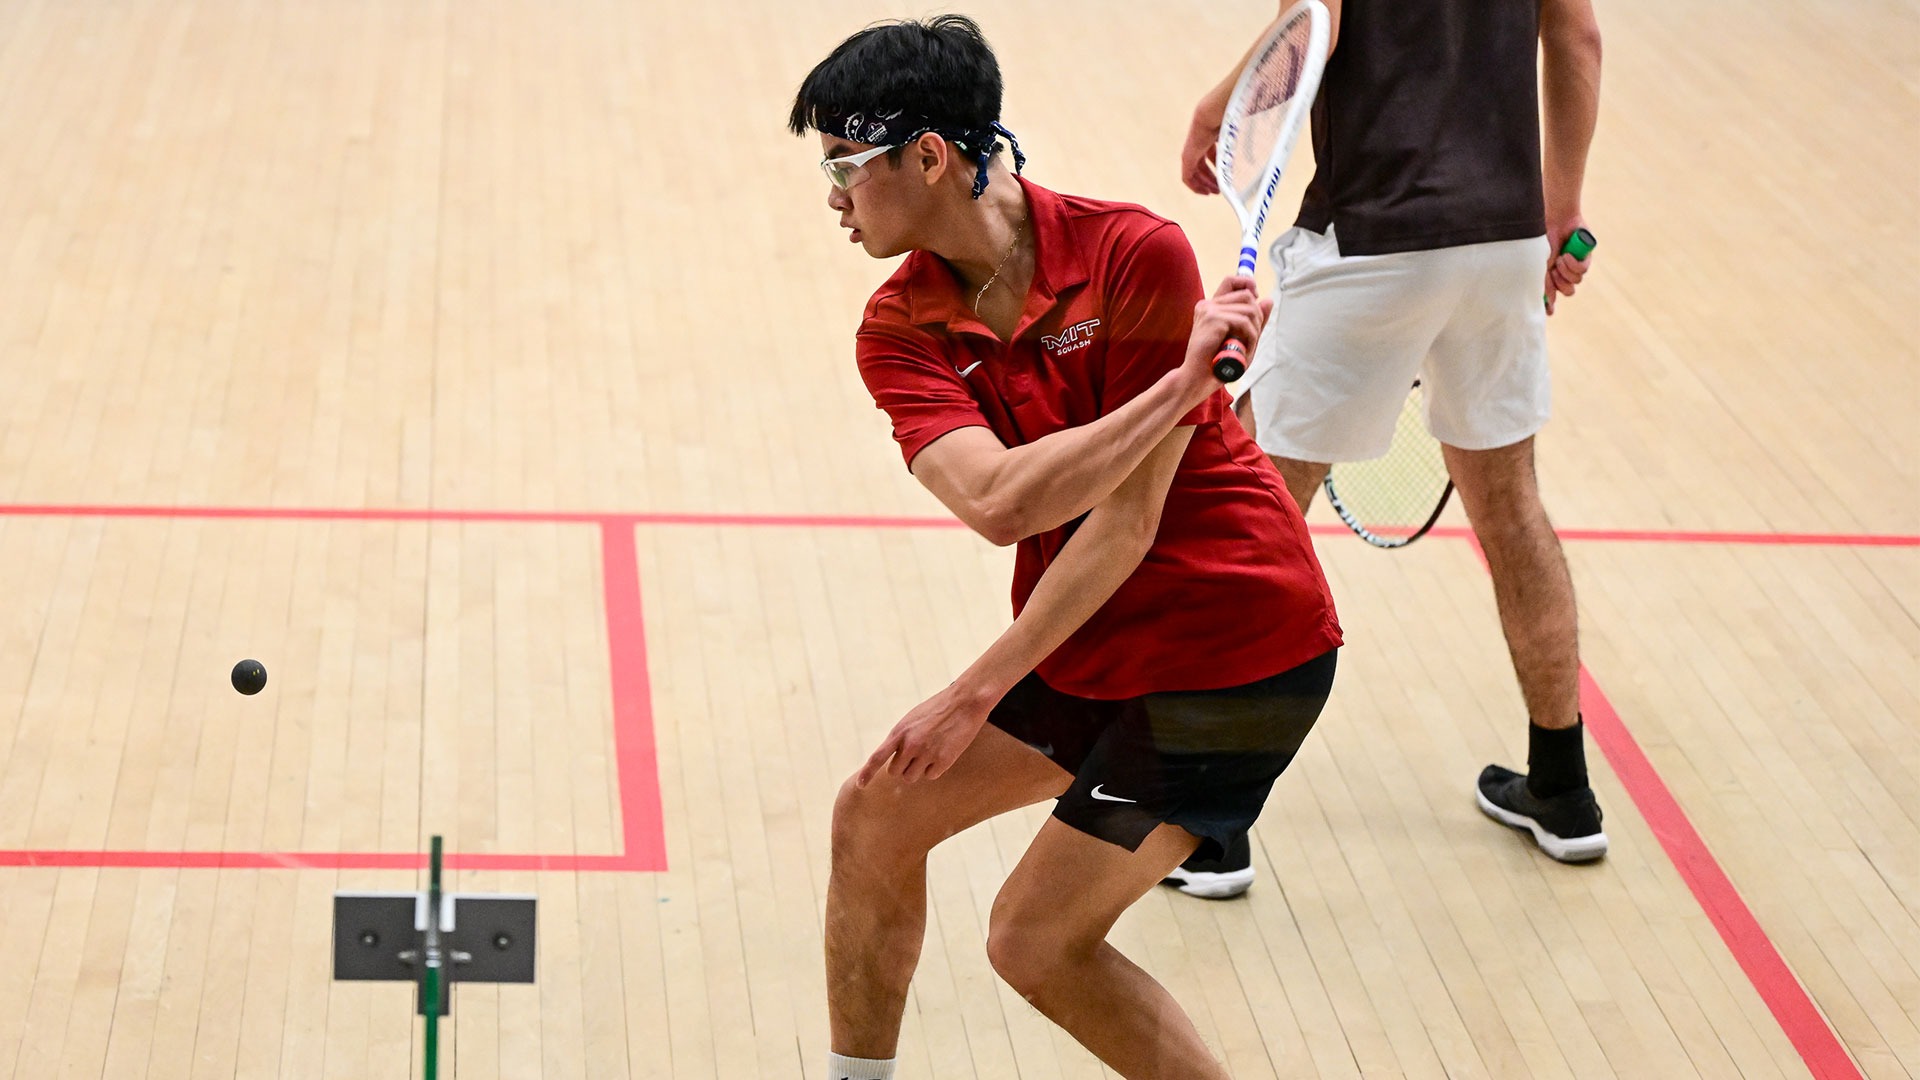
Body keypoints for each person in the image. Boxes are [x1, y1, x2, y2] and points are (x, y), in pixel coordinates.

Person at [791, 15, 1344, 1079]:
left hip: (1234, 658)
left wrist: (973, 692)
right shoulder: (898, 328)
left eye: (845, 164)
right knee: (876, 816)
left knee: (1035, 941)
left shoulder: (1134, 254)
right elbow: (998, 501)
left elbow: (1126, 525)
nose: (833, 197)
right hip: (1095, 636)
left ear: (929, 157)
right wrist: (1179, 389)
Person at [1175, 0, 1608, 881]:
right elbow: (1577, 36)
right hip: (1505, 243)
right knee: (1512, 507)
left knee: (1250, 516)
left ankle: (1210, 827)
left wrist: (1218, 107)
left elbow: (1315, 21)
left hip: (1372, 238)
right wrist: (1559, 206)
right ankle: (1563, 788)